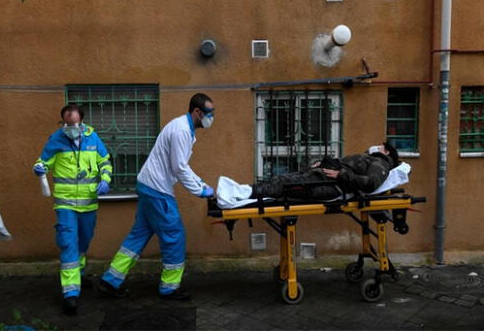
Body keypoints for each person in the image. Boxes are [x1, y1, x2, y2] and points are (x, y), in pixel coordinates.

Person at [97, 93, 215, 301]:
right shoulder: (180, 131)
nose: (211, 117)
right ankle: (170, 287)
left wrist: (201, 183)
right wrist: (200, 191)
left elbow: (181, 166)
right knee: (174, 235)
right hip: (157, 190)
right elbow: (179, 167)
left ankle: (110, 279)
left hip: (148, 186)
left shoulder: (183, 128)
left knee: (139, 234)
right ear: (197, 112)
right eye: (209, 113)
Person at [33, 104, 112, 314]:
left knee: (84, 242)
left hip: (89, 204)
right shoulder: (56, 139)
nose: (71, 127)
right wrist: (40, 167)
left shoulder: (93, 138)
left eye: (74, 123)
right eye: (67, 124)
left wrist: (105, 179)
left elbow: (105, 161)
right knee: (68, 244)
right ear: (63, 123)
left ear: (82, 122)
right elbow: (44, 161)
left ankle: (79, 272)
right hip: (65, 204)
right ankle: (70, 293)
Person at [250, 142, 400, 200]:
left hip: (329, 184)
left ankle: (246, 193)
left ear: (386, 152)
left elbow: (371, 183)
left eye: (380, 147)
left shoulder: (381, 164)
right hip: (321, 177)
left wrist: (340, 174)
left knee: (282, 183)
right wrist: (322, 164)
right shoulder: (372, 160)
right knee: (279, 180)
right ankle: (246, 192)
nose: (375, 147)